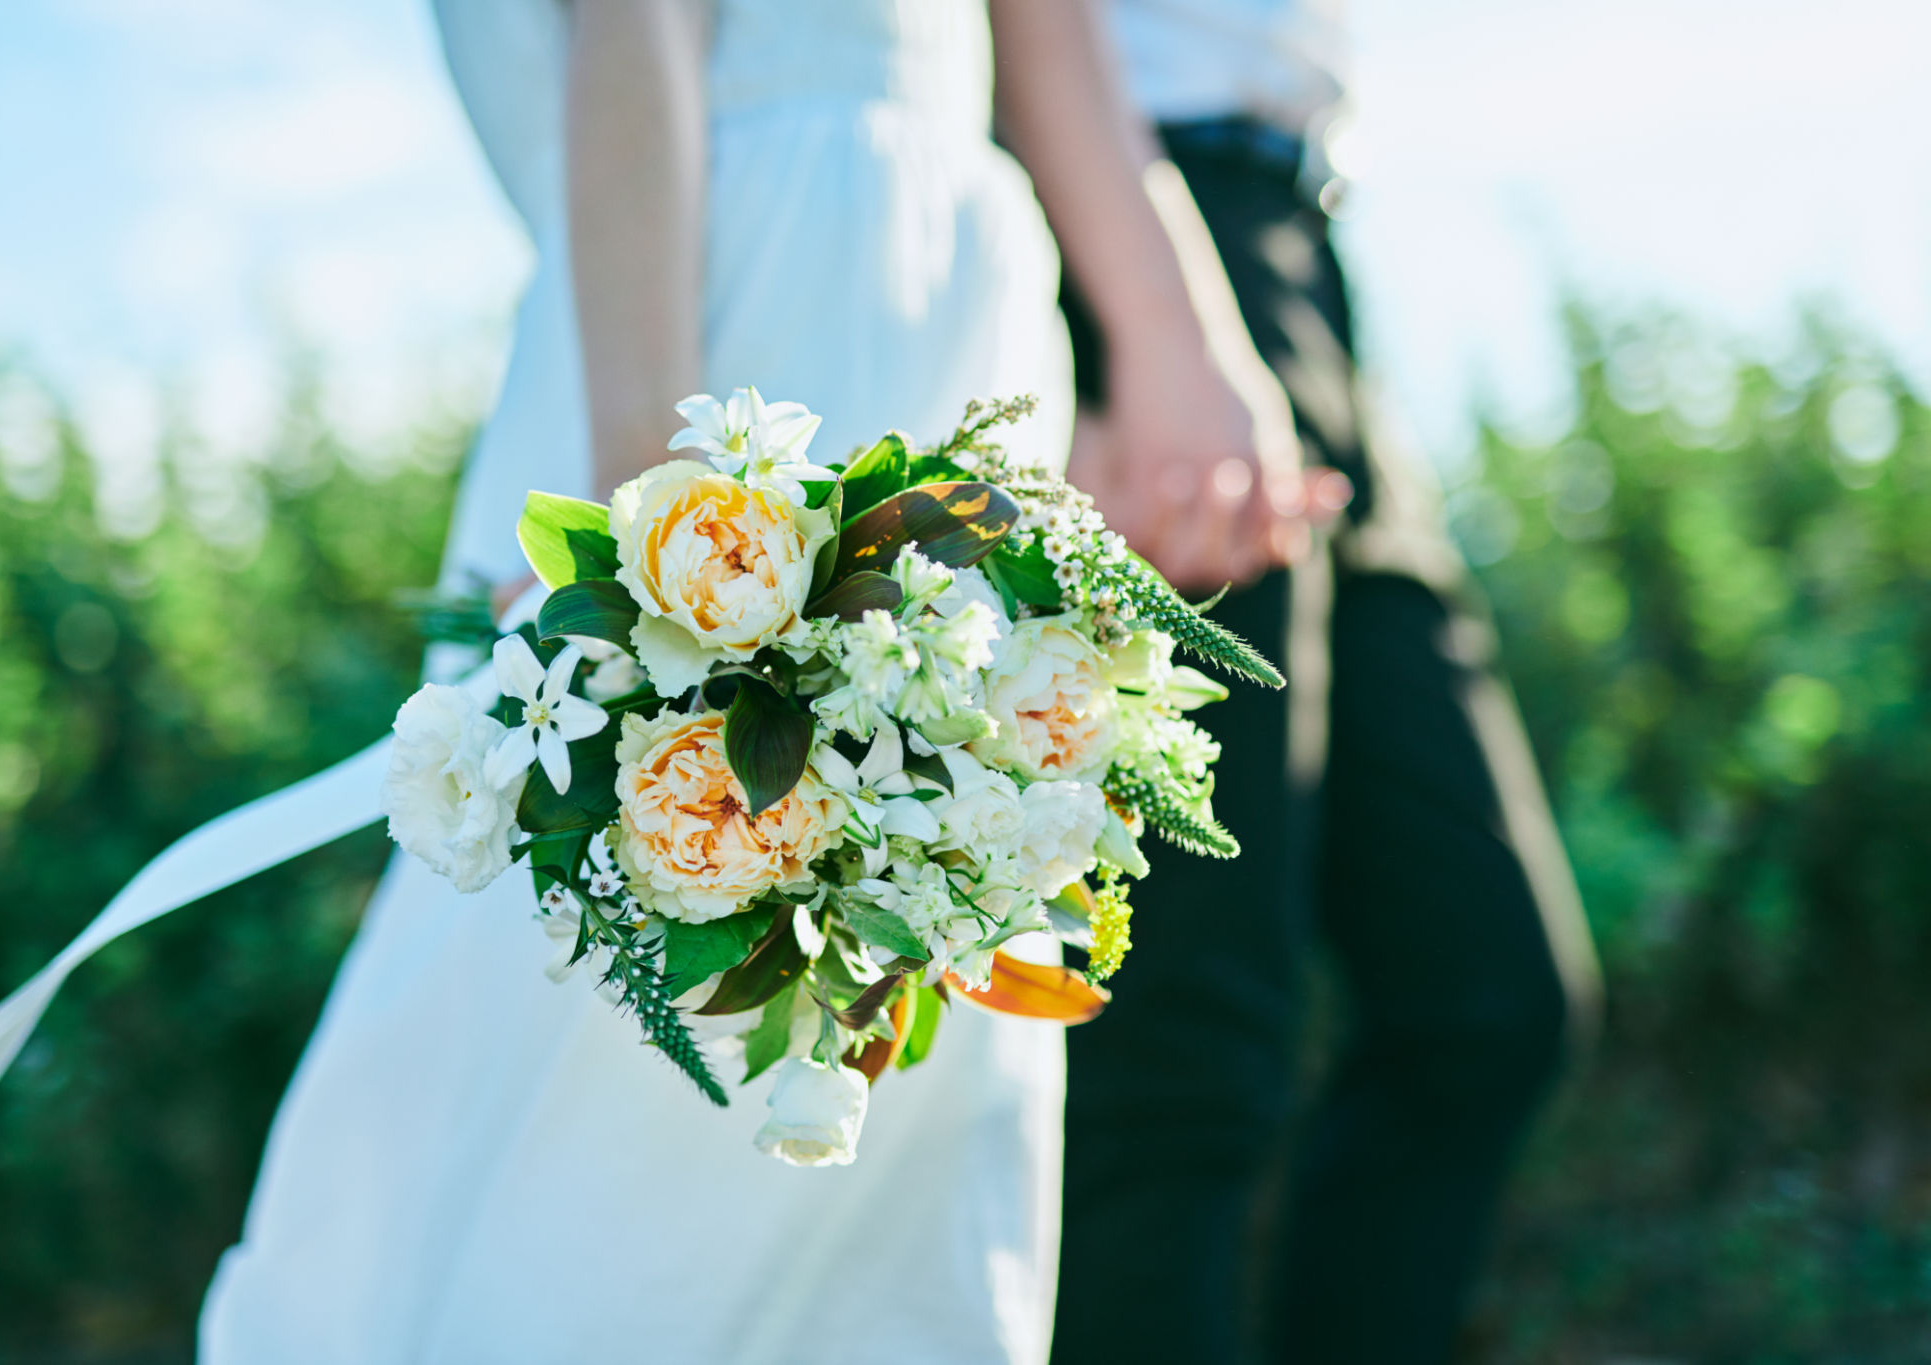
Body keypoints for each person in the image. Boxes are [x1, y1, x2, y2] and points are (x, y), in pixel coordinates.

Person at [195, 1, 1285, 1360]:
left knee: (933, 943)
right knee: (613, 985)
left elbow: (1042, 27)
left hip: (955, 294)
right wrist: (640, 535)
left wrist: (1175, 337)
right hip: (753, 277)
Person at [1049, 3, 1606, 1362]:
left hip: (1300, 251)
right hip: (1127, 234)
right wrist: (1147, 326)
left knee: (1486, 996)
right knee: (1178, 1055)